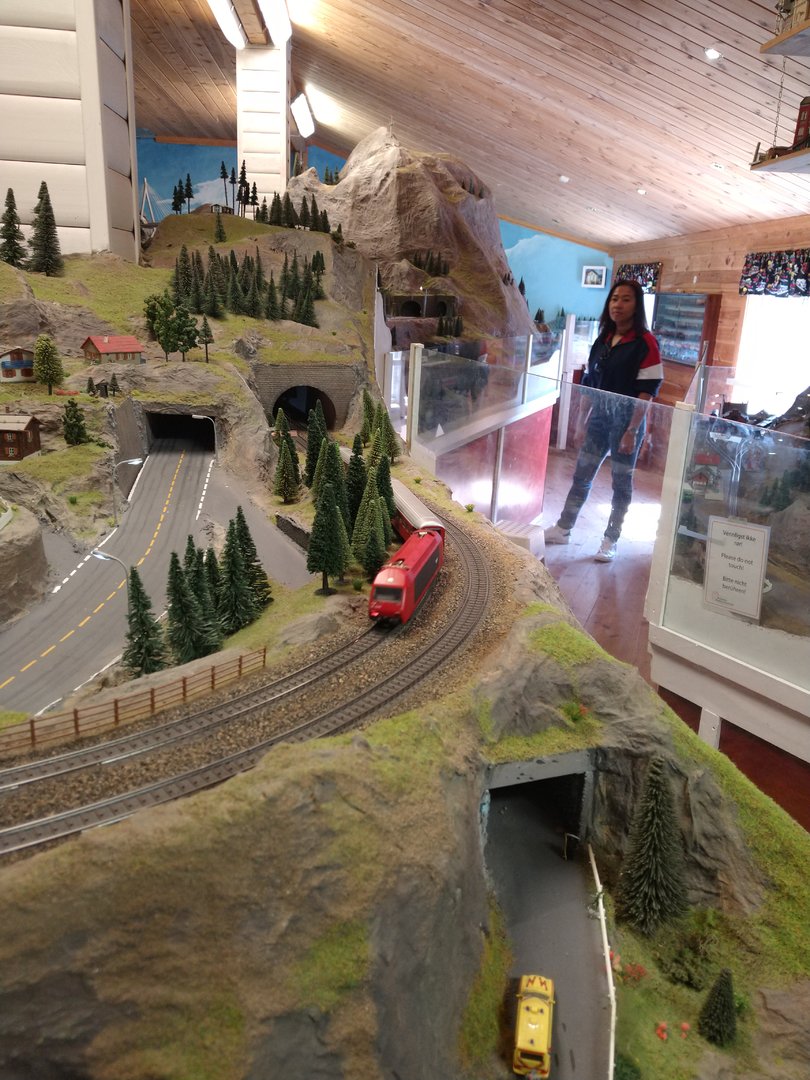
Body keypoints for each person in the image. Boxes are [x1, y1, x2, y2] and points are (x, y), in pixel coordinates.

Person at [545, 279, 663, 561]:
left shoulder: (646, 342)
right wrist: (580, 421)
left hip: (627, 420)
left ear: (636, 306)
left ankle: (611, 539)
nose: (617, 305)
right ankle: (564, 528)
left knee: (621, 483)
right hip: (599, 417)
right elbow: (590, 383)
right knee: (582, 474)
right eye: (614, 299)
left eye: (626, 299)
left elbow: (647, 392)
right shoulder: (603, 339)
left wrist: (632, 431)